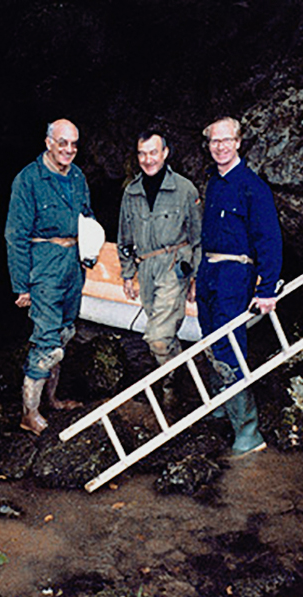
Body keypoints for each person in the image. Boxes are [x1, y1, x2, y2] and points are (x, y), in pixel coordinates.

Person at [196, 116, 283, 457]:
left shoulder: (253, 187)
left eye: (226, 140)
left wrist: (267, 290)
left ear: (238, 142)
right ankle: (223, 406)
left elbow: (269, 240)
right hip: (209, 272)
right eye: (214, 141)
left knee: (229, 346)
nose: (220, 147)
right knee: (209, 338)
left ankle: (248, 432)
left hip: (235, 274)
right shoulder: (214, 184)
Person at [5, 118, 93, 435]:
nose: (68, 149)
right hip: (43, 265)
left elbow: (87, 216)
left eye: (73, 144)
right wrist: (21, 285)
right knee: (46, 340)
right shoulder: (28, 180)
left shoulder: (78, 176)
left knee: (65, 333)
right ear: (48, 142)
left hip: (73, 263)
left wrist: (91, 249)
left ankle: (51, 399)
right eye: (62, 142)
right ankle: (29, 413)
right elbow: (15, 235)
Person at [117, 129, 202, 406]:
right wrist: (128, 273)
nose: (148, 159)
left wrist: (195, 278)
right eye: (142, 153)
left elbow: (199, 238)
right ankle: (180, 372)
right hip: (146, 269)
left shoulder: (185, 189)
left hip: (175, 266)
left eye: (153, 152)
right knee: (163, 333)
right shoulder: (131, 192)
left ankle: (170, 382)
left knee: (156, 336)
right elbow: (124, 238)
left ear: (165, 153)